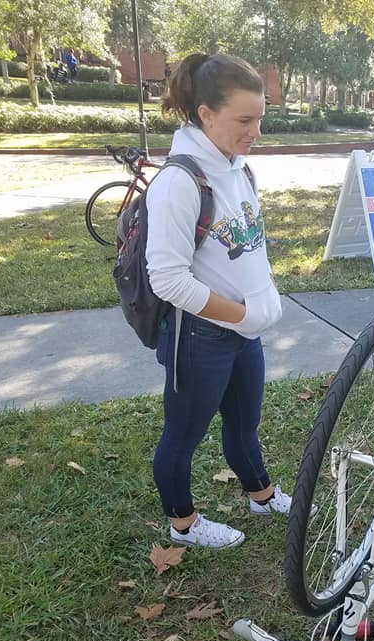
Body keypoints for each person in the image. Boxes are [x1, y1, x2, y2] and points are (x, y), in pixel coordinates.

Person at [146, 53, 290, 549]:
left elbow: (248, 248)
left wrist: (259, 304)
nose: (256, 132)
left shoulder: (239, 170)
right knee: (182, 437)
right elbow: (167, 278)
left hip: (243, 332)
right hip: (201, 337)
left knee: (244, 425)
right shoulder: (178, 183)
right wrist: (242, 314)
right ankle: (182, 525)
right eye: (244, 120)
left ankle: (262, 495)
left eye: (260, 119)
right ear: (206, 114)